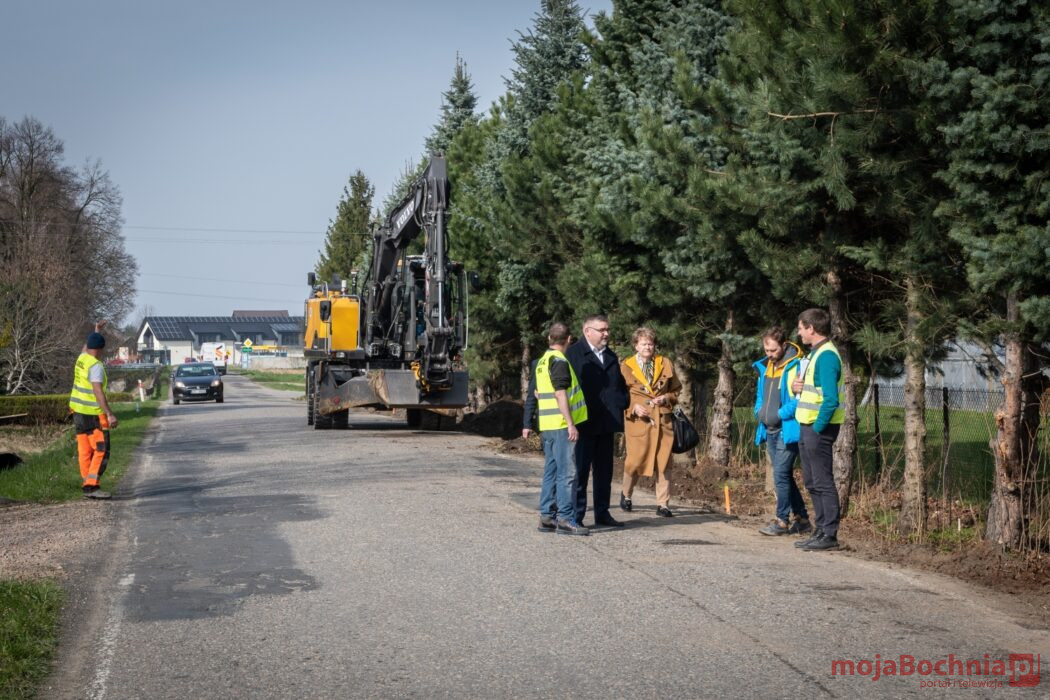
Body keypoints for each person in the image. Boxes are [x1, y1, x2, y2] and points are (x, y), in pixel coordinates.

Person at [566, 314, 630, 527]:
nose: (606, 334)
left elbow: (618, 384)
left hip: (606, 422)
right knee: (580, 472)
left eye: (607, 330)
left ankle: (602, 513)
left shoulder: (609, 355)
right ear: (587, 331)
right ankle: (576, 516)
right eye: (602, 330)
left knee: (604, 472)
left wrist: (622, 401)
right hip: (583, 423)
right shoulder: (573, 354)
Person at [791, 308, 845, 551]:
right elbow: (813, 390)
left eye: (801, 328)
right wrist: (796, 388)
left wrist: (819, 427)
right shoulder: (815, 354)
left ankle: (829, 534)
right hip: (807, 425)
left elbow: (830, 400)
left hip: (818, 427)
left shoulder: (827, 356)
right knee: (812, 481)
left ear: (811, 328)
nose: (799, 333)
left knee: (822, 481)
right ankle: (820, 529)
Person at [752, 327, 812, 536]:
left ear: (784, 345)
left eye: (773, 350)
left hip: (787, 429)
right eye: (766, 350)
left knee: (780, 473)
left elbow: (799, 398)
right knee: (783, 474)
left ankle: (782, 520)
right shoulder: (765, 367)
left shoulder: (796, 366)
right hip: (768, 428)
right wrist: (759, 412)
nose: (769, 354)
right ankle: (802, 519)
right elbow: (760, 395)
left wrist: (780, 414)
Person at [619, 328, 682, 517]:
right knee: (635, 461)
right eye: (643, 343)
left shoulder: (665, 363)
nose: (647, 347)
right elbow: (619, 395)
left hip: (662, 420)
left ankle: (663, 504)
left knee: (664, 462)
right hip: (638, 421)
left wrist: (666, 398)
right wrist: (633, 408)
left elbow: (676, 390)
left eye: (650, 343)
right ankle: (626, 494)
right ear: (636, 346)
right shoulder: (626, 366)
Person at [535, 322, 589, 536]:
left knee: (551, 471)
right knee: (567, 473)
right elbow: (560, 393)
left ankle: (547, 516)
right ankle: (565, 519)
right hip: (560, 425)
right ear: (569, 340)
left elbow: (539, 393)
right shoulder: (559, 361)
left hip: (547, 425)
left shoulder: (543, 360)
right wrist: (570, 423)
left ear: (549, 338)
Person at [69, 329, 119, 499]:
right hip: (93, 415)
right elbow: (98, 391)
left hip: (78, 412)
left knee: (84, 450)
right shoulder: (95, 366)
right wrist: (109, 414)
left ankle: (87, 483)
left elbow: (86, 346)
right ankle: (92, 486)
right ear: (100, 349)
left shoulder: (82, 358)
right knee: (101, 449)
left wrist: (96, 331)